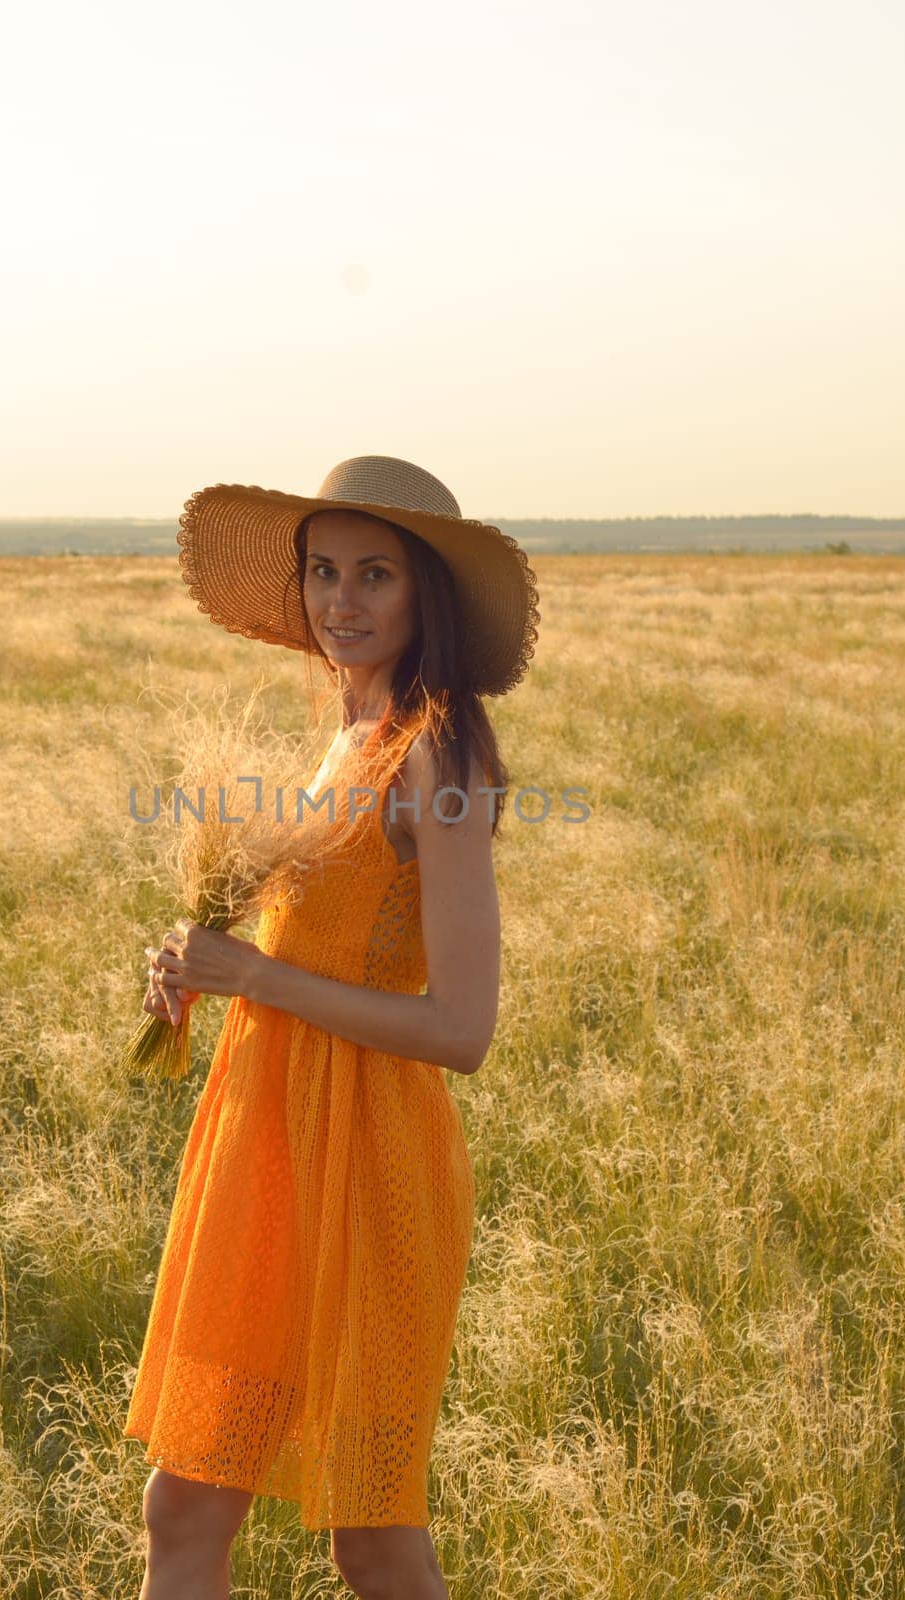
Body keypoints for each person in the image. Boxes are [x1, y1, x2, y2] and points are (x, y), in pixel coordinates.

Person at [126, 454, 540, 1599]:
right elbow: (315, 950)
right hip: (269, 1146)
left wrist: (257, 973)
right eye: (322, 573)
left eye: (374, 576)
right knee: (186, 1501)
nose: (340, 601)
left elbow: (462, 1027)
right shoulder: (342, 735)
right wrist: (208, 975)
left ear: (426, 599)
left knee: (369, 1534)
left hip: (370, 1164)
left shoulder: (436, 756)